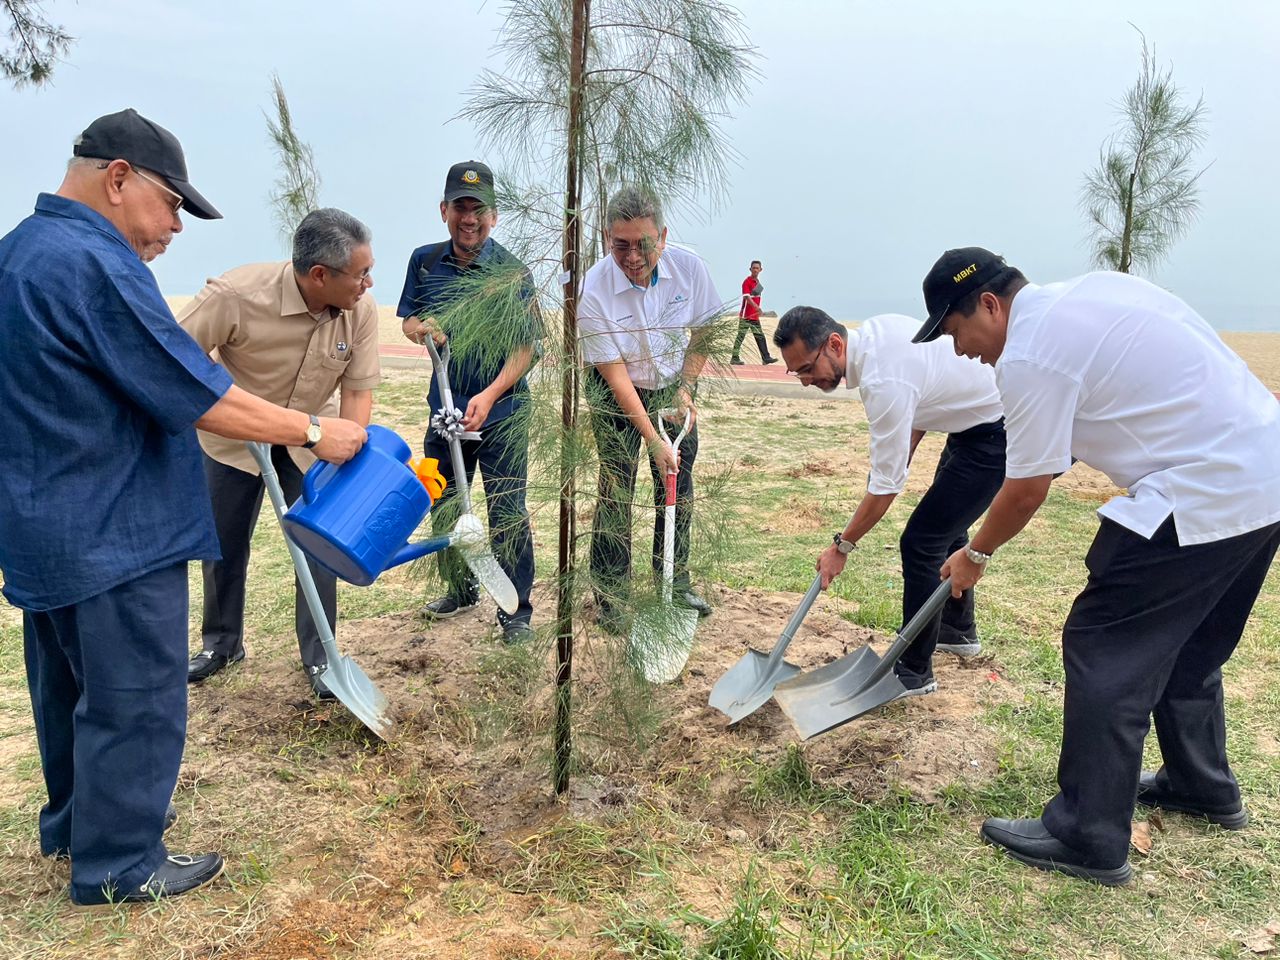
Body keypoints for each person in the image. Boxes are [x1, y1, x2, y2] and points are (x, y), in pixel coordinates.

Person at [0, 109, 366, 907]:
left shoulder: (20, 252)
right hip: (114, 528)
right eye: (171, 204)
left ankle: (75, 826)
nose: (174, 226)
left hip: (43, 522)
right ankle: (121, 862)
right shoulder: (97, 264)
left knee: (68, 687)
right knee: (133, 695)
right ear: (118, 179)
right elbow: (195, 389)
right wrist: (313, 430)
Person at [915, 247, 1280, 886]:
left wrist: (974, 555)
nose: (961, 351)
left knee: (1103, 645)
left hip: (1200, 489)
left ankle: (1088, 834)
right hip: (1265, 475)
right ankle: (1201, 784)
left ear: (990, 305)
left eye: (954, 332)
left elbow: (1027, 489)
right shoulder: (1097, 292)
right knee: (1191, 646)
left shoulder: (1028, 356)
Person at [178, 208, 381, 699]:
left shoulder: (361, 311)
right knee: (224, 545)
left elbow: (357, 391)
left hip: (313, 444)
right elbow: (173, 354)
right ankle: (222, 644)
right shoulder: (236, 295)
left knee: (319, 548)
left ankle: (321, 658)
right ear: (320, 275)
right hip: (234, 443)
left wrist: (347, 458)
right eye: (360, 274)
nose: (369, 284)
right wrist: (219, 401)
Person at [775, 306, 1006, 696]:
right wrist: (899, 459)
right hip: (969, 423)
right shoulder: (876, 337)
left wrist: (841, 546)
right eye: (796, 373)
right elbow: (917, 409)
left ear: (835, 344)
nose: (805, 381)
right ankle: (957, 630)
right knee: (947, 527)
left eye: (807, 368)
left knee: (921, 542)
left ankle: (913, 671)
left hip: (995, 434)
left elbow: (885, 487)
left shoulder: (883, 380)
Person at [398, 161, 539, 644]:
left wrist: (490, 393)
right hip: (445, 410)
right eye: (461, 206)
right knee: (445, 501)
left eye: (479, 209)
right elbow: (409, 319)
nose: (470, 218)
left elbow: (527, 348)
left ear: (494, 215)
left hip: (502, 412)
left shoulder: (513, 273)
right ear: (445, 210)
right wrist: (420, 329)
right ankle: (460, 590)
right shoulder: (423, 262)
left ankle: (516, 610)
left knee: (507, 510)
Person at [578, 185, 722, 632]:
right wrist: (652, 438)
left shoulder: (690, 269)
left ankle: (674, 583)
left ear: (663, 235)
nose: (633, 256)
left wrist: (686, 389)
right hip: (615, 388)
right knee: (616, 487)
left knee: (678, 482)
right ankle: (611, 596)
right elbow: (615, 374)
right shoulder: (594, 288)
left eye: (643, 244)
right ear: (607, 238)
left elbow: (705, 330)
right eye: (621, 245)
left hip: (672, 385)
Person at [731, 259, 777, 365]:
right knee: (741, 336)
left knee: (760, 336)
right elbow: (747, 297)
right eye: (754, 268)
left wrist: (756, 310)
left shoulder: (757, 282)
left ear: (761, 270)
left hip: (754, 316)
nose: (755, 270)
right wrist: (757, 307)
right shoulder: (746, 282)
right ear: (750, 269)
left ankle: (766, 357)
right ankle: (734, 357)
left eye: (757, 268)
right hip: (746, 315)